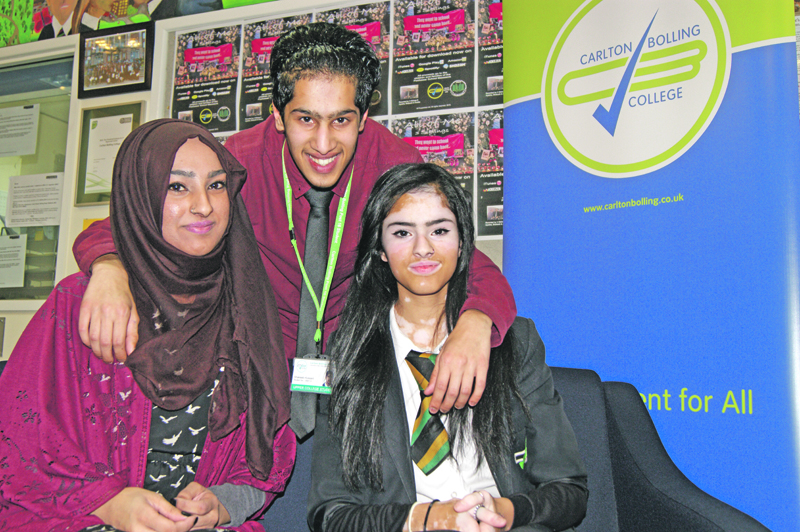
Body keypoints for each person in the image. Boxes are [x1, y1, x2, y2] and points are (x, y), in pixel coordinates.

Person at [73, 22, 516, 426]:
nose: (323, 145)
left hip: (363, 377)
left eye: (341, 120)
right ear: (276, 114)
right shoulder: (238, 161)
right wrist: (110, 268)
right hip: (258, 371)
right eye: (306, 119)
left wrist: (476, 324)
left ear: (364, 118)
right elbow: (135, 223)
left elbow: (461, 259)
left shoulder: (394, 165)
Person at [0, 119, 294, 531]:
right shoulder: (80, 304)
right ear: (140, 195)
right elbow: (15, 451)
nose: (203, 206)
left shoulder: (249, 308)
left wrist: (220, 505)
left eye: (215, 185)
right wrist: (106, 504)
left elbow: (267, 459)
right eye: (177, 187)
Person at [309, 163, 588, 532]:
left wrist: (508, 511)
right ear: (380, 249)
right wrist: (426, 519)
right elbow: (329, 514)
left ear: (462, 242)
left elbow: (569, 491)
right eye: (402, 232)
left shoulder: (515, 343)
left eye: (439, 230)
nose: (423, 248)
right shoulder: (347, 357)